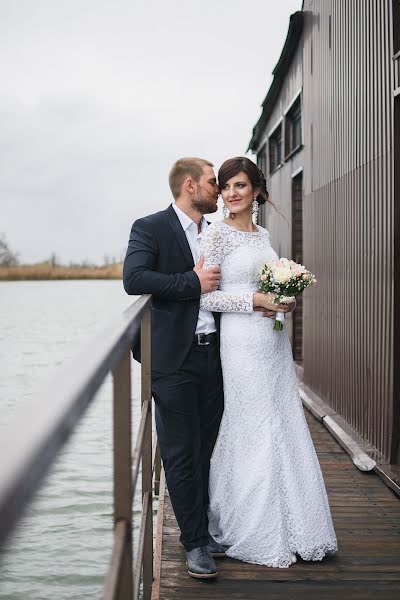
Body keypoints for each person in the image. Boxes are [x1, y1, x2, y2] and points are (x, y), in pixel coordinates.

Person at [199, 156, 338, 567]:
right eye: (225, 187)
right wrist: (255, 299)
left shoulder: (263, 235)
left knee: (281, 418)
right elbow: (206, 296)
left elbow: (272, 285)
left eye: (240, 185)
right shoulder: (216, 235)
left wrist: (285, 301)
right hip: (241, 342)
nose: (231, 194)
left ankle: (297, 523)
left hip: (273, 342)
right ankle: (250, 524)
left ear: (257, 189)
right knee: (250, 421)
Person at [123, 157, 227, 579]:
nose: (218, 190)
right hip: (172, 359)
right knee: (181, 453)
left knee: (206, 448)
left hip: (214, 355)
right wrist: (191, 282)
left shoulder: (214, 233)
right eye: (212, 182)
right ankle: (195, 543)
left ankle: (201, 526)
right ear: (190, 185)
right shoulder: (150, 227)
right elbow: (135, 278)